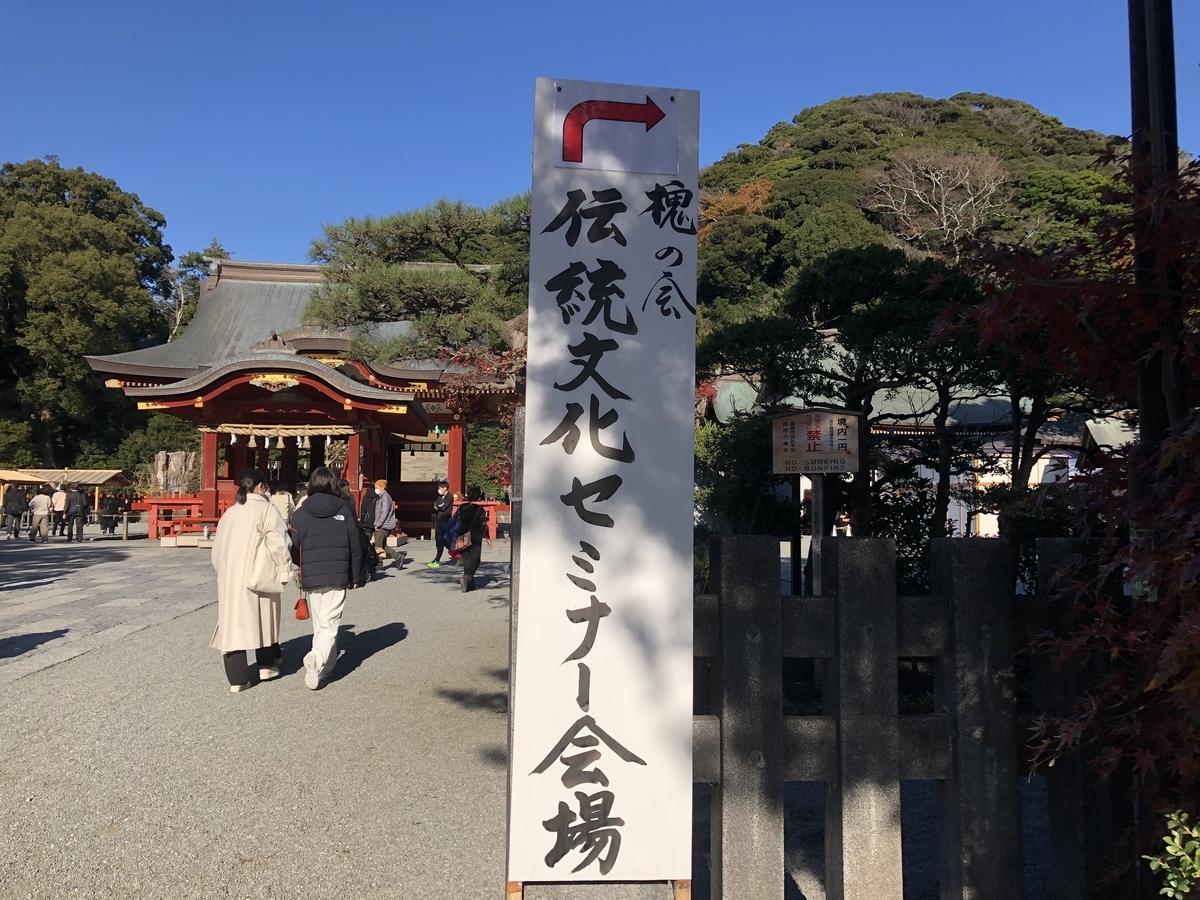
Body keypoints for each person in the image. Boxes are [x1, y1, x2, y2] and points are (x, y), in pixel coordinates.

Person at [210, 469, 292, 693]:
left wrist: (224, 571)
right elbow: (279, 543)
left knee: (233, 625)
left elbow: (217, 550)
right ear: (260, 487)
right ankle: (266, 665)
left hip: (230, 577)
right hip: (259, 575)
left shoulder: (230, 513)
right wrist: (284, 570)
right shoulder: (266, 510)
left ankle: (237, 679)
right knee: (264, 618)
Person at [290, 467, 366, 690]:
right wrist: (356, 575)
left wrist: (301, 566)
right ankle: (316, 658)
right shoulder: (344, 508)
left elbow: (294, 546)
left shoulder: (301, 513)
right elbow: (356, 544)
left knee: (321, 623)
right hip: (338, 571)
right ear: (333, 484)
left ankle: (326, 668)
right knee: (330, 624)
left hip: (312, 574)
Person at [455, 486, 486, 593]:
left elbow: (455, 519)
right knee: (476, 560)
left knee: (467, 559)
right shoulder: (479, 509)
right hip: (475, 535)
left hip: (462, 534)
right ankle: (466, 577)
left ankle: (470, 585)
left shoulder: (461, 507)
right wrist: (487, 535)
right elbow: (483, 523)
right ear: (478, 496)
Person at [427, 480, 454, 568]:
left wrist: (438, 506)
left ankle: (437, 560)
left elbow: (442, 507)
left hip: (446, 521)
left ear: (445, 488)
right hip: (440, 520)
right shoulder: (440, 496)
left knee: (441, 540)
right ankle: (457, 554)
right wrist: (438, 506)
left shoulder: (450, 497)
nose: (439, 490)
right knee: (440, 541)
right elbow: (436, 504)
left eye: (440, 488)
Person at [371, 479, 396, 560]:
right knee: (383, 546)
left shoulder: (385, 498)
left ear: (382, 487)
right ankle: (398, 557)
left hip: (383, 525)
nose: (376, 489)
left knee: (378, 546)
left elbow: (384, 513)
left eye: (377, 487)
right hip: (383, 524)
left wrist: (378, 524)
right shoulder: (381, 497)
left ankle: (379, 563)